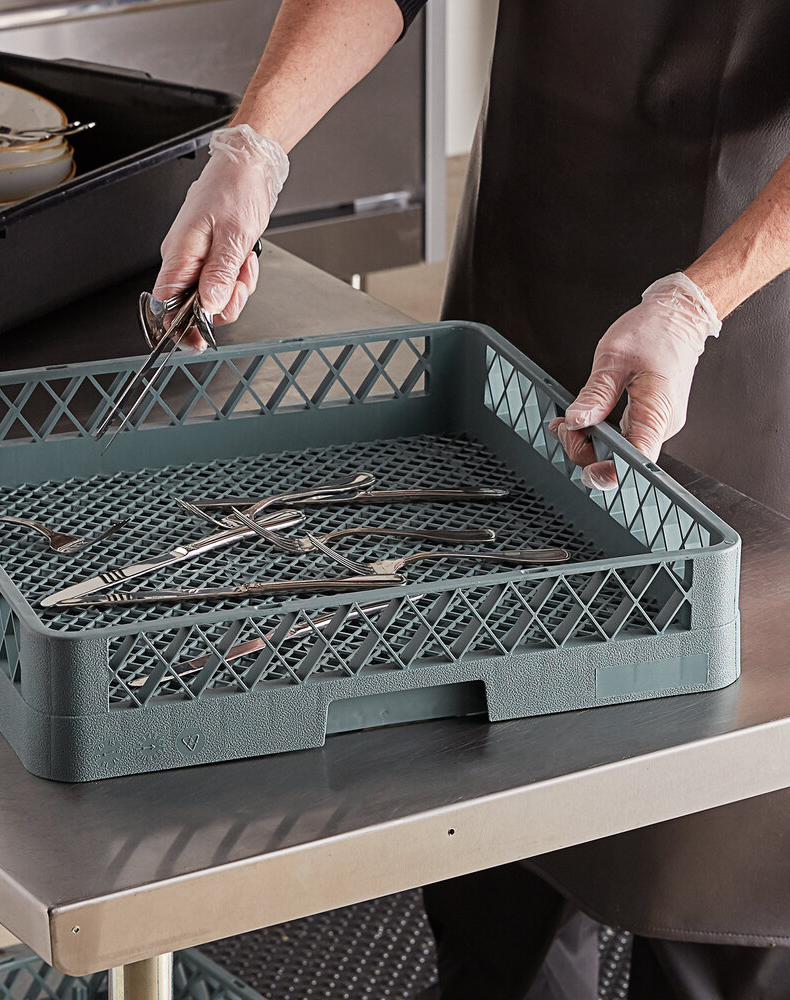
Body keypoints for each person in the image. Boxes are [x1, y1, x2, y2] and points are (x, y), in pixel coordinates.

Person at [152, 2, 790, 996]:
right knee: (491, 824)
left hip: (752, 337)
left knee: (711, 860)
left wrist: (694, 301)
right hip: (531, 277)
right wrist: (255, 145)